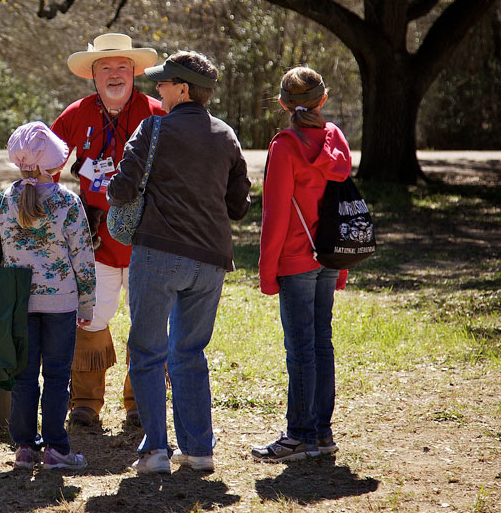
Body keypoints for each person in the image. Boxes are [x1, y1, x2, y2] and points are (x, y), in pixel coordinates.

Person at [107, 51, 251, 474]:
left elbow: (120, 191)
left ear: (183, 89)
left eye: (164, 83)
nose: (158, 89)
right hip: (210, 261)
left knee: (147, 352)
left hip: (158, 254)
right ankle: (199, 451)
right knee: (189, 352)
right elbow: (239, 206)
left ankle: (155, 453)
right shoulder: (227, 135)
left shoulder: (152, 128)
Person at [51, 33, 166, 428]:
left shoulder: (158, 114)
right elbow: (45, 166)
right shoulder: (75, 114)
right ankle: (84, 402)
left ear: (134, 72)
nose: (115, 75)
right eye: (106, 68)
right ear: (93, 76)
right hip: (95, 242)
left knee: (148, 323)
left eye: (122, 67)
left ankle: (139, 402)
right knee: (90, 319)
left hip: (147, 241)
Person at [252, 66, 352, 462]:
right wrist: (342, 264)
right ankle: (322, 433)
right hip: (329, 253)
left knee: (300, 349)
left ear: (283, 103)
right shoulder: (336, 140)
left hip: (295, 260)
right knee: (322, 344)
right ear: (322, 101)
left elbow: (275, 214)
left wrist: (266, 271)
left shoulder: (285, 145)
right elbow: (342, 205)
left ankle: (299, 436)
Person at [0, 122, 97, 471]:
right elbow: (82, 256)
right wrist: (86, 302)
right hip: (61, 304)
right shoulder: (67, 202)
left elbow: (3, 255)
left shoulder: (6, 201)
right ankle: (57, 447)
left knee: (24, 376)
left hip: (21, 303)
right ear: (52, 161)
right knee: (57, 377)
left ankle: (25, 448)